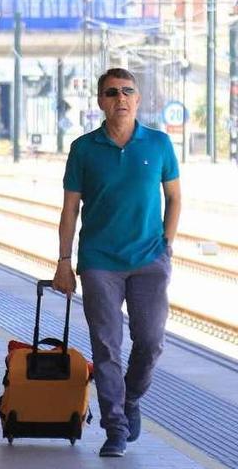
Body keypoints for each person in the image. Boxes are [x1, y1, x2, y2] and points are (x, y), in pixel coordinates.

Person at [52, 68, 181, 458]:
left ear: (138, 99)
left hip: (148, 260)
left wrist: (166, 246)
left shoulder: (158, 144)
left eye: (127, 91)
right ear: (100, 101)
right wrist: (63, 261)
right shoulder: (83, 148)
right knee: (106, 348)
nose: (120, 98)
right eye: (112, 93)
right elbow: (70, 209)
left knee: (151, 341)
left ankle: (130, 399)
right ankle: (115, 429)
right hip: (99, 262)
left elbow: (174, 197)